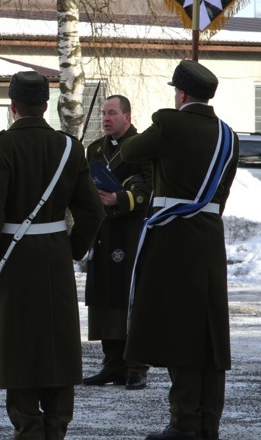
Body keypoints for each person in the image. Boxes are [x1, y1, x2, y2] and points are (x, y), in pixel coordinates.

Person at [0, 71, 103, 439]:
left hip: (14, 260)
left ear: (12, 107)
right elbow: (93, 212)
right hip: (55, 257)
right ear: (46, 106)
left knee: (20, 346)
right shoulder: (69, 147)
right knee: (57, 345)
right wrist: (71, 250)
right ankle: (56, 428)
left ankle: (28, 427)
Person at [121, 60, 238, 440]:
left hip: (173, 237)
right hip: (209, 236)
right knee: (209, 333)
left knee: (180, 330)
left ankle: (184, 422)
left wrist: (161, 121)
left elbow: (130, 152)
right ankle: (208, 422)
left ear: (182, 94)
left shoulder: (169, 124)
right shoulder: (228, 136)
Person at [83, 95, 152, 391]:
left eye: (112, 113)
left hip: (130, 232)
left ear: (127, 116)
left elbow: (150, 188)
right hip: (103, 232)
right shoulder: (95, 149)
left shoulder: (142, 146)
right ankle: (112, 365)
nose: (106, 118)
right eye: (103, 113)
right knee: (105, 297)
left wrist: (120, 197)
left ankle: (136, 368)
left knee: (130, 299)